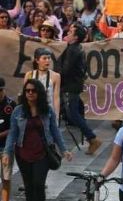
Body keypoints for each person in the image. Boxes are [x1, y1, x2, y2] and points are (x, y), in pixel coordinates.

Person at [3, 80, 73, 201]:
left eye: (33, 90)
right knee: (28, 187)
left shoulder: (47, 110)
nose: (30, 93)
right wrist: (7, 152)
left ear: (39, 93)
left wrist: (64, 150)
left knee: (39, 185)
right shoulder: (18, 111)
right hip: (23, 154)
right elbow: (13, 133)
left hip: (42, 153)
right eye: (27, 90)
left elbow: (55, 131)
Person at [59, 23, 101, 155]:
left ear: (76, 37)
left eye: (71, 32)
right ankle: (91, 138)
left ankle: (92, 138)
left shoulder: (73, 50)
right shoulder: (74, 48)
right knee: (74, 112)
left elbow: (66, 69)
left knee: (73, 114)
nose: (68, 33)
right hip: (73, 85)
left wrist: (55, 74)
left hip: (71, 86)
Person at [24, 48, 61, 118]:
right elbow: (25, 94)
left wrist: (56, 116)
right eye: (44, 58)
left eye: (49, 58)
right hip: (32, 111)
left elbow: (56, 97)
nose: (47, 61)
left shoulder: (56, 76)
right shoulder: (29, 74)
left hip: (48, 111)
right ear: (37, 60)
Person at [0, 78, 16, 201]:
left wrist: (2, 134)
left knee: (6, 178)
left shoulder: (11, 105)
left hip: (6, 147)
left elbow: (15, 128)